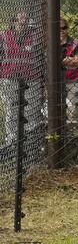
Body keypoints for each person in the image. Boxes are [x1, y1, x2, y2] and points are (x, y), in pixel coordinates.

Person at [1, 10, 43, 150]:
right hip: (9, 78)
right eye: (21, 19)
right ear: (14, 21)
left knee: (31, 110)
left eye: (26, 19)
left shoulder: (36, 36)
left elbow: (41, 57)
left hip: (32, 78)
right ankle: (11, 142)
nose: (24, 22)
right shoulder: (4, 37)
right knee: (11, 110)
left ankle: (31, 142)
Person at [59, 18, 78, 157]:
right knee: (51, 111)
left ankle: (74, 139)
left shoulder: (76, 42)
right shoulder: (48, 43)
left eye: (64, 28)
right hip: (54, 82)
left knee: (73, 109)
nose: (61, 31)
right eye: (58, 28)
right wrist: (69, 60)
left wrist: (60, 60)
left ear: (68, 28)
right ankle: (58, 139)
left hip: (73, 80)